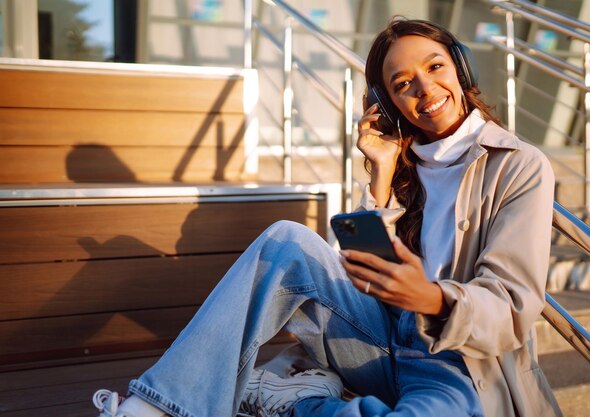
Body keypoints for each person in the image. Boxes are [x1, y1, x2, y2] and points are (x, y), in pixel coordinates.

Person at [93, 18, 562, 417]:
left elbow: (514, 310)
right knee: (286, 240)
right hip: (380, 339)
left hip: (457, 364)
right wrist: (381, 173)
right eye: (402, 84)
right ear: (389, 104)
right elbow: (361, 271)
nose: (424, 88)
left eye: (435, 67)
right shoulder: (405, 162)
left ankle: (301, 401)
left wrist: (433, 297)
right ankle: (155, 408)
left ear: (460, 67)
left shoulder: (520, 165)